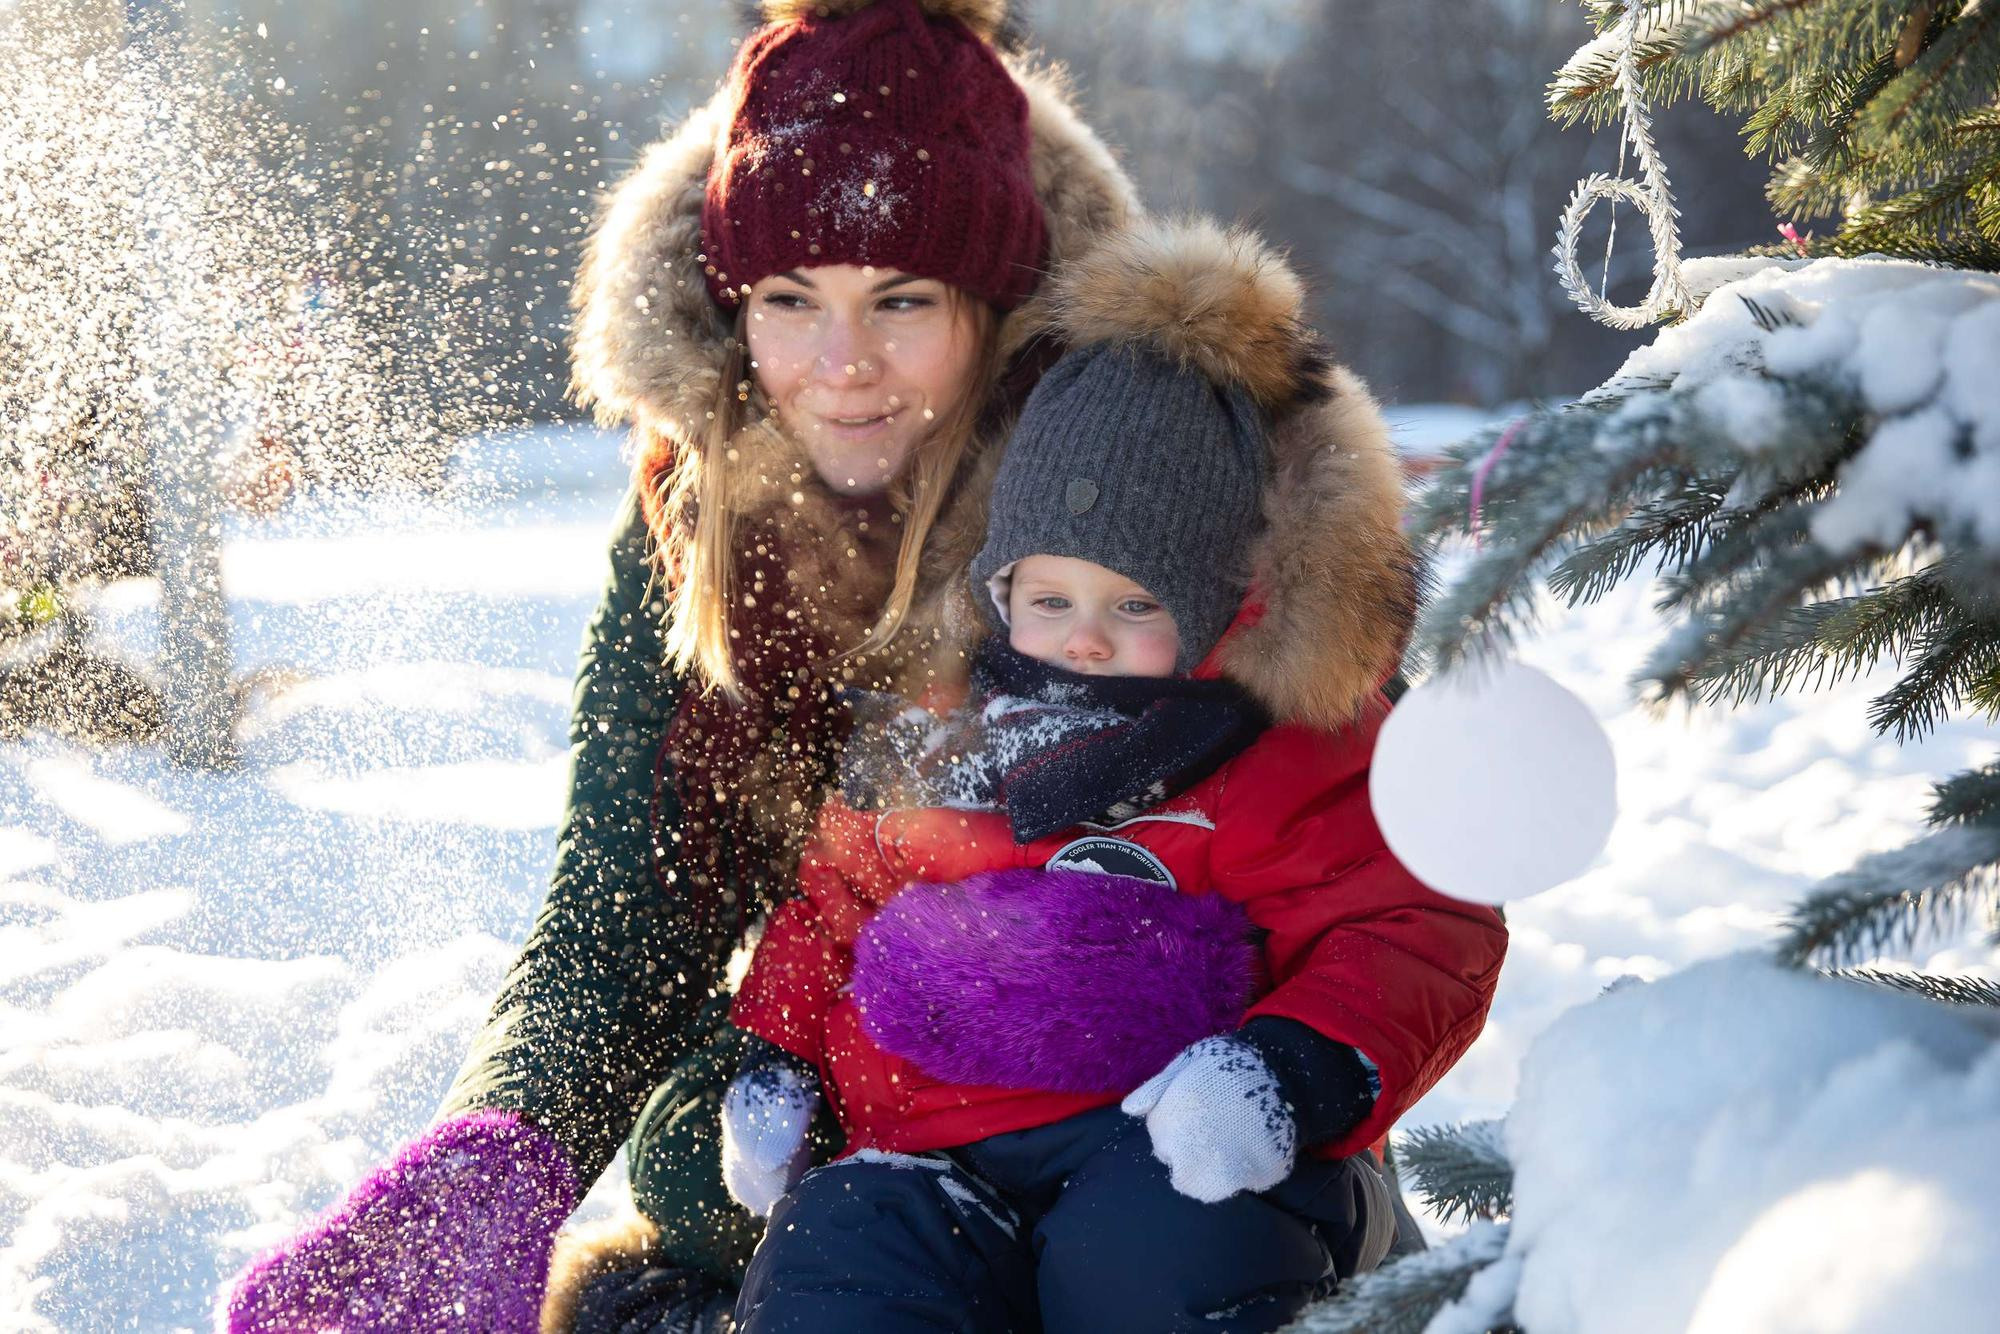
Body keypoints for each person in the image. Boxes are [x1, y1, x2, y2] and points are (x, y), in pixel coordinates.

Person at [210, 4, 1413, 1332]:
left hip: (1175, 1089)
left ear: (995, 304)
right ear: (734, 309)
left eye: (900, 301)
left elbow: (1358, 842)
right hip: (883, 1049)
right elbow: (631, 898)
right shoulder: (704, 500)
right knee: (700, 1150)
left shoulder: (1132, 468)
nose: (842, 369)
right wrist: (508, 1136)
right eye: (792, 303)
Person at [716, 220, 1510, 1332]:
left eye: (1133, 605)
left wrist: (1284, 1071)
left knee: (1166, 1250)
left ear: (1217, 601)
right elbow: (836, 903)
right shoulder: (940, 734)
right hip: (928, 1145)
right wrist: (780, 1050)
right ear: (998, 593)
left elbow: (1416, 919)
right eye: (1049, 601)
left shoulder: (1274, 748)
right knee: (843, 1252)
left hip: (1167, 1135)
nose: (1082, 637)